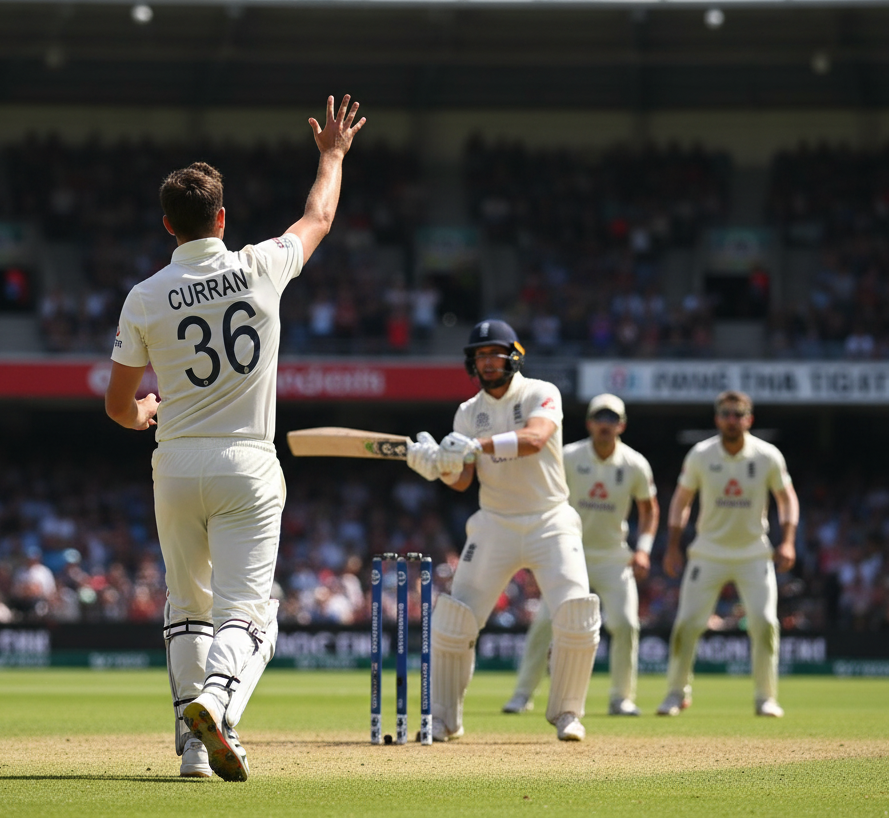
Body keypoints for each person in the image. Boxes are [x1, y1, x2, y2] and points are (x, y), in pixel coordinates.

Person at [105, 94, 364, 780]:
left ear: (169, 225)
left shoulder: (145, 295)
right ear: (222, 218)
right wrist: (332, 154)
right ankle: (217, 706)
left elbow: (117, 405)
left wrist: (143, 414)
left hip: (175, 464)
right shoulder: (259, 265)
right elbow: (320, 216)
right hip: (247, 462)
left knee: (187, 607)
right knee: (250, 615)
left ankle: (193, 749)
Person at [406, 319, 601, 742]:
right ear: (471, 363)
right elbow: (461, 480)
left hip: (550, 520)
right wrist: (437, 465)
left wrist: (477, 445)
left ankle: (568, 713)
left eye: (495, 353)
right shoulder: (466, 412)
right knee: (455, 620)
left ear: (513, 355)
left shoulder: (541, 392)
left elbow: (535, 438)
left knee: (576, 615)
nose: (487, 361)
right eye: (480, 355)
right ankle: (444, 718)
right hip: (494, 524)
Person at [502, 393, 658, 717]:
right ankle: (522, 694)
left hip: (615, 556)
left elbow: (649, 509)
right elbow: (544, 498)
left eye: (612, 419)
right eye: (600, 418)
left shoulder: (635, 463)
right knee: (545, 622)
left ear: (622, 425)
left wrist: (643, 549)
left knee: (627, 624)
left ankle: (621, 698)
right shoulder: (568, 456)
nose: (605, 424)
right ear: (589, 423)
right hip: (569, 552)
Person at [657, 390, 799, 718]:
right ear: (716, 418)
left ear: (749, 419)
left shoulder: (767, 456)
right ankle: (676, 693)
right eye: (726, 413)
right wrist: (674, 545)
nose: (732, 420)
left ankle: (766, 698)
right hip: (707, 552)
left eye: (738, 414)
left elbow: (787, 499)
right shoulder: (700, 454)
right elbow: (681, 501)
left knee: (764, 623)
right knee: (687, 624)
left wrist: (788, 540)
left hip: (754, 553)